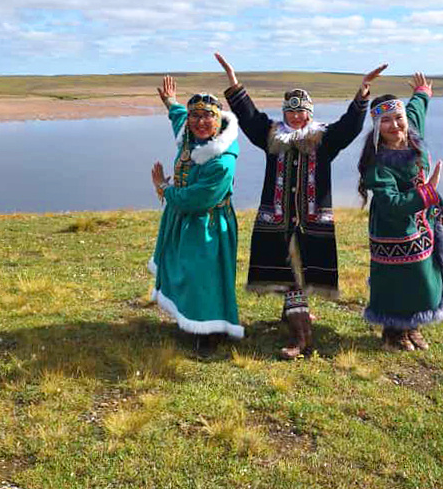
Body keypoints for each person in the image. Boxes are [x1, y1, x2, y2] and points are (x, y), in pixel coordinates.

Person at [216, 52, 387, 360]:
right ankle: (295, 319)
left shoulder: (324, 139)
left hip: (312, 219)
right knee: (288, 271)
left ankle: (301, 335)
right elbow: (250, 116)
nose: (296, 117)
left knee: (300, 271)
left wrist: (362, 92)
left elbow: (350, 126)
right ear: (284, 113)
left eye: (302, 112)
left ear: (310, 113)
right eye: (291, 112)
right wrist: (232, 79)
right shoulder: (271, 136)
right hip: (277, 218)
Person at [357, 72, 443, 351]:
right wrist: (428, 190)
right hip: (394, 227)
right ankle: (393, 331)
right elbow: (391, 203)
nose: (394, 125)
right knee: (399, 278)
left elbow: (416, 108)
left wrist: (422, 91)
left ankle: (413, 325)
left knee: (425, 274)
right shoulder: (377, 165)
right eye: (385, 121)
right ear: (376, 127)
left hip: (425, 220)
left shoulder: (412, 132)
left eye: (397, 118)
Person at [149, 75, 242, 352]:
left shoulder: (222, 161)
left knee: (204, 276)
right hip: (185, 222)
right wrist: (171, 103)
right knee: (186, 271)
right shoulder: (189, 137)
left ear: (219, 120)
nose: (201, 122)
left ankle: (210, 332)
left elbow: (196, 199)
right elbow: (179, 119)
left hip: (209, 224)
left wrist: (164, 188)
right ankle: (191, 318)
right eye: (196, 116)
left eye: (208, 117)